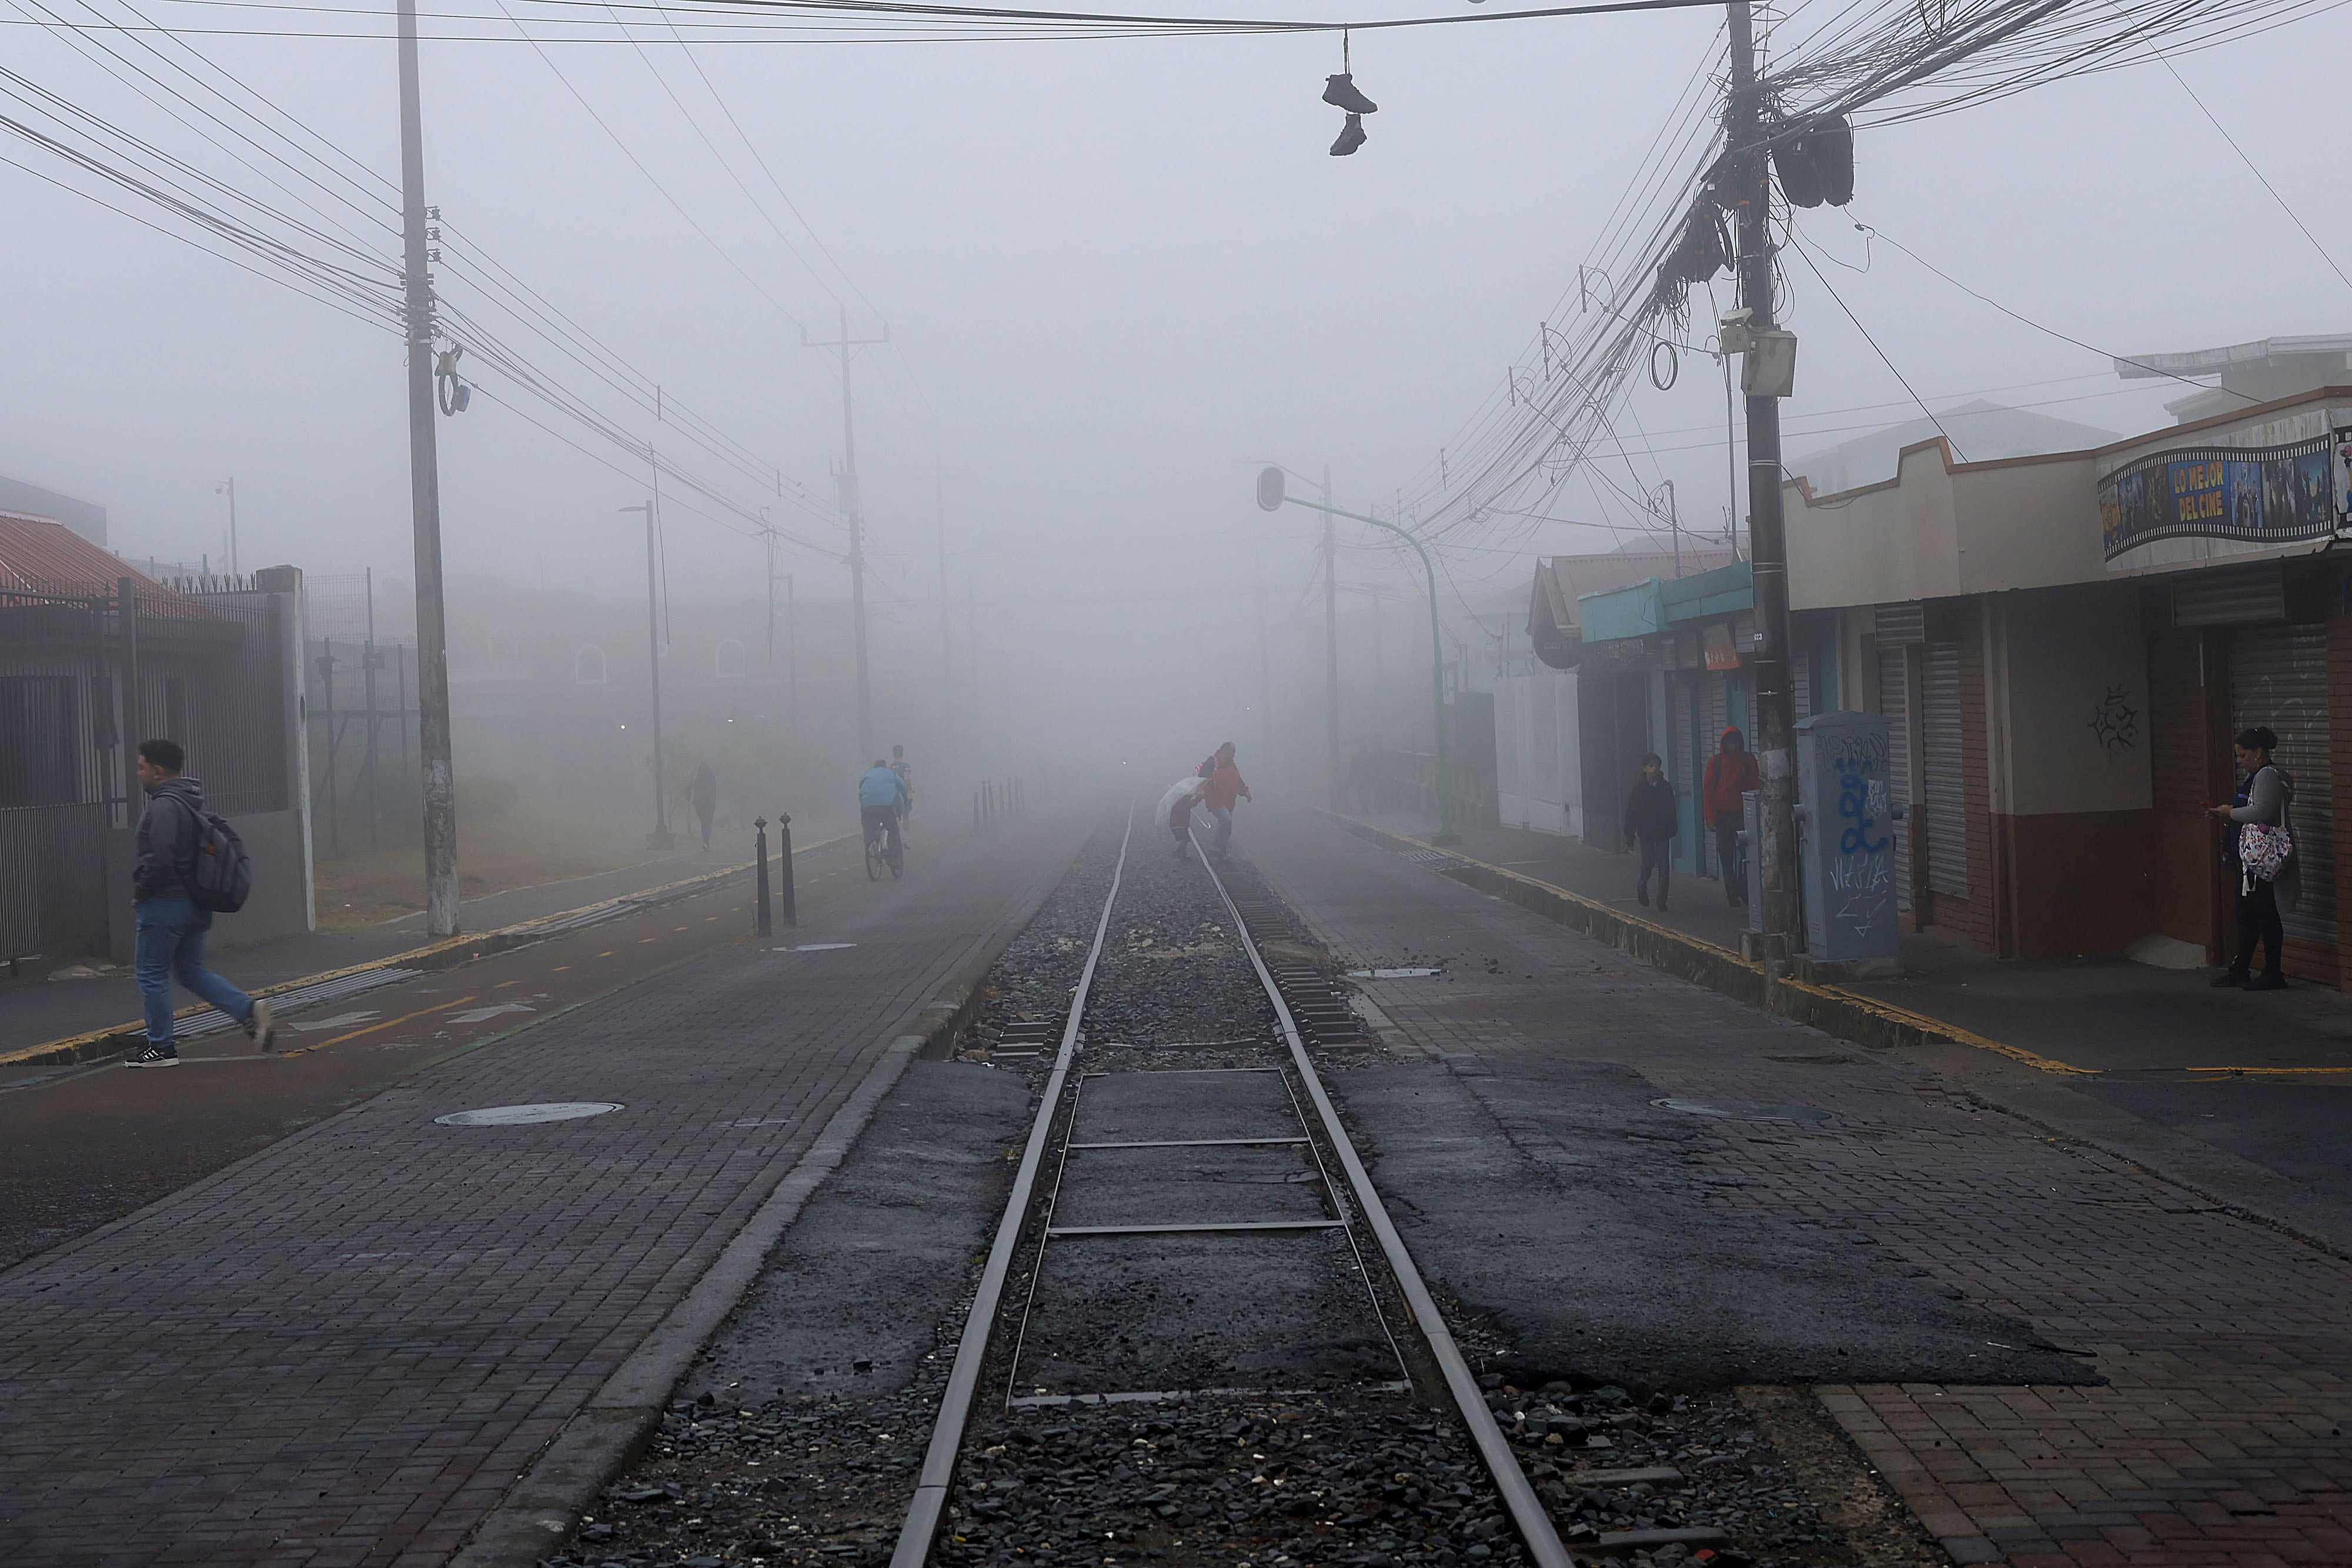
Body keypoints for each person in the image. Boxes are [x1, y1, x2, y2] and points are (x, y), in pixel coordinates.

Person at [126, 738, 276, 1067]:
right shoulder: (191, 800)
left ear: (157, 770)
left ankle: (161, 1048)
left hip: (165, 903)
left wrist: (142, 891)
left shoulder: (164, 805)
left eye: (140, 767)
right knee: (191, 971)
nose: (138, 774)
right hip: (194, 904)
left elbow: (160, 858)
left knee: (150, 972)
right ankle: (248, 1010)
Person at [2208, 726, 2299, 991]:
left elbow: (2261, 810)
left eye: (2243, 756)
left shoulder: (2267, 776)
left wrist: (2230, 813)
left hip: (2262, 860)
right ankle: (2241, 968)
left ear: (2259, 753)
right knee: (2247, 914)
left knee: (2265, 914)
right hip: (2249, 860)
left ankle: (2273, 972)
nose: (2240, 761)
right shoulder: (2257, 777)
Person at [1702, 726, 1760, 908]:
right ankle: (1732, 893)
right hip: (1722, 816)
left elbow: (1755, 786)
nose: (1733, 747)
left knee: (1747, 855)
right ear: (1724, 745)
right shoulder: (1716, 763)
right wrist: (1710, 818)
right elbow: (1708, 792)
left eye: (1736, 743)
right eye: (1730, 744)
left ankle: (1743, 888)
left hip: (1743, 814)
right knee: (1725, 855)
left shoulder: (1748, 761)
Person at [1622, 751, 1678, 912]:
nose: (1654, 769)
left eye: (1656, 766)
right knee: (1647, 864)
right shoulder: (1639, 789)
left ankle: (1662, 899)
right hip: (1646, 832)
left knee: (1664, 866)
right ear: (1645, 769)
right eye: (1651, 766)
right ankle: (1642, 885)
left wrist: (1672, 827)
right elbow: (1631, 813)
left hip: (1662, 832)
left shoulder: (1665, 787)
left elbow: (1671, 809)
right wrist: (1630, 835)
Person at [1200, 741, 1251, 858]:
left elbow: (1237, 780)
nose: (1234, 756)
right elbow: (1203, 777)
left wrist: (1245, 792)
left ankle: (1222, 851)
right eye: (1232, 753)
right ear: (1225, 751)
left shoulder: (1231, 764)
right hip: (1214, 798)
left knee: (1227, 825)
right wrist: (1202, 789)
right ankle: (1216, 848)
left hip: (1228, 800)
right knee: (1226, 821)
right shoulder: (1213, 762)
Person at [858, 758, 908, 863]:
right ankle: (894, 860)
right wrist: (905, 800)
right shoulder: (891, 774)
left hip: (868, 807)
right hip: (887, 807)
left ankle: (870, 841)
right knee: (893, 830)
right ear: (885, 767)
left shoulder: (868, 774)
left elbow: (861, 787)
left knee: (869, 826)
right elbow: (903, 787)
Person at [1168, 780, 1206, 859]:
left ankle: (1182, 854)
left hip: (1179, 824)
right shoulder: (1182, 802)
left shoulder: (1180, 801)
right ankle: (1177, 852)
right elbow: (1190, 805)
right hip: (1178, 824)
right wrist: (1199, 798)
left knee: (1185, 839)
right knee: (1184, 839)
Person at [690, 760, 717, 852]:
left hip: (700, 804)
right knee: (708, 823)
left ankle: (706, 842)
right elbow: (714, 791)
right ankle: (706, 842)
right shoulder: (711, 778)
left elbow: (694, 789)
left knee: (704, 823)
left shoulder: (697, 778)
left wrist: (694, 800)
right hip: (709, 804)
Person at [889, 745, 916, 827]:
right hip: (902, 791)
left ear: (893, 754)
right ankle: (905, 820)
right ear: (903, 754)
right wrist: (909, 791)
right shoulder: (906, 766)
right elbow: (907, 778)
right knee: (907, 806)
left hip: (892, 791)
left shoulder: (889, 767)